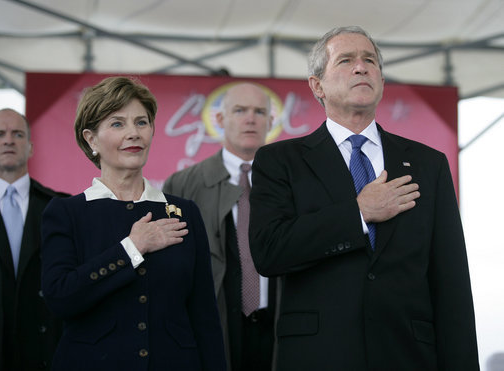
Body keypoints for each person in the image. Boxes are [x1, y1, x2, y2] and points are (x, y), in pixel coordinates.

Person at [249, 26, 479, 371]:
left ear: (382, 82)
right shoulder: (280, 160)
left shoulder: (427, 163)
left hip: (408, 356)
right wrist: (358, 213)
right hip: (317, 356)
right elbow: (269, 252)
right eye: (346, 60)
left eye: (370, 60)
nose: (361, 67)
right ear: (317, 86)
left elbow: (451, 282)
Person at [40, 76, 226, 371]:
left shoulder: (183, 212)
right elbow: (60, 297)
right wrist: (132, 248)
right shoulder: (66, 212)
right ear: (91, 139)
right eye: (117, 124)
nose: (134, 133)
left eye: (142, 122)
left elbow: (204, 315)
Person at [163, 82, 276, 371]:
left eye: (259, 111)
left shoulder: (289, 181)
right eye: (240, 110)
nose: (250, 119)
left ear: (271, 122)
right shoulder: (183, 184)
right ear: (220, 119)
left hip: (277, 326)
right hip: (216, 326)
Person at [0, 108, 67, 370]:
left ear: (31, 147)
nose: (8, 140)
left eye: (17, 134)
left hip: (46, 353)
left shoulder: (61, 208)